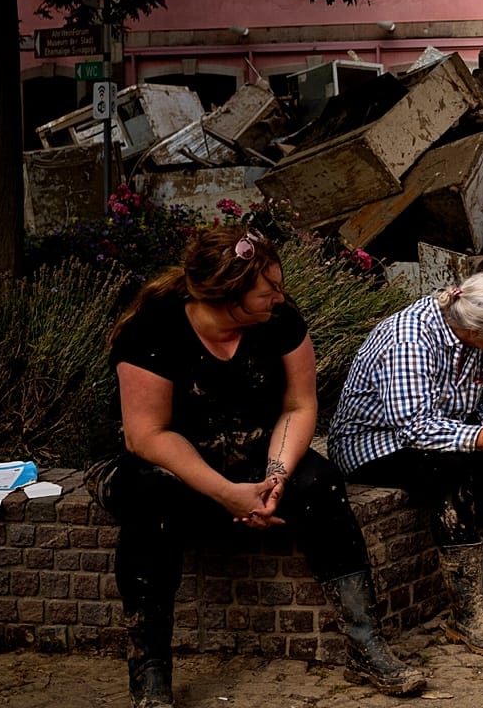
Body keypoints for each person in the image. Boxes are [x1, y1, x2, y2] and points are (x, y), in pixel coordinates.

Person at [88, 226, 423, 707]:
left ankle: (366, 639)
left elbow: (299, 405)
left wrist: (276, 480)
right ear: (228, 296)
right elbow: (148, 436)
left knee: (323, 483)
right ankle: (150, 668)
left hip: (253, 453)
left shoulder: (281, 320)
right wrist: (227, 493)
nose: (280, 298)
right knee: (152, 502)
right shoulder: (153, 331)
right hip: (164, 463)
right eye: (268, 291)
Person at [329, 273, 483, 658]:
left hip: (444, 434)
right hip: (375, 444)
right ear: (479, 329)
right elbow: (416, 427)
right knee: (450, 469)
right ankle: (467, 612)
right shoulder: (409, 340)